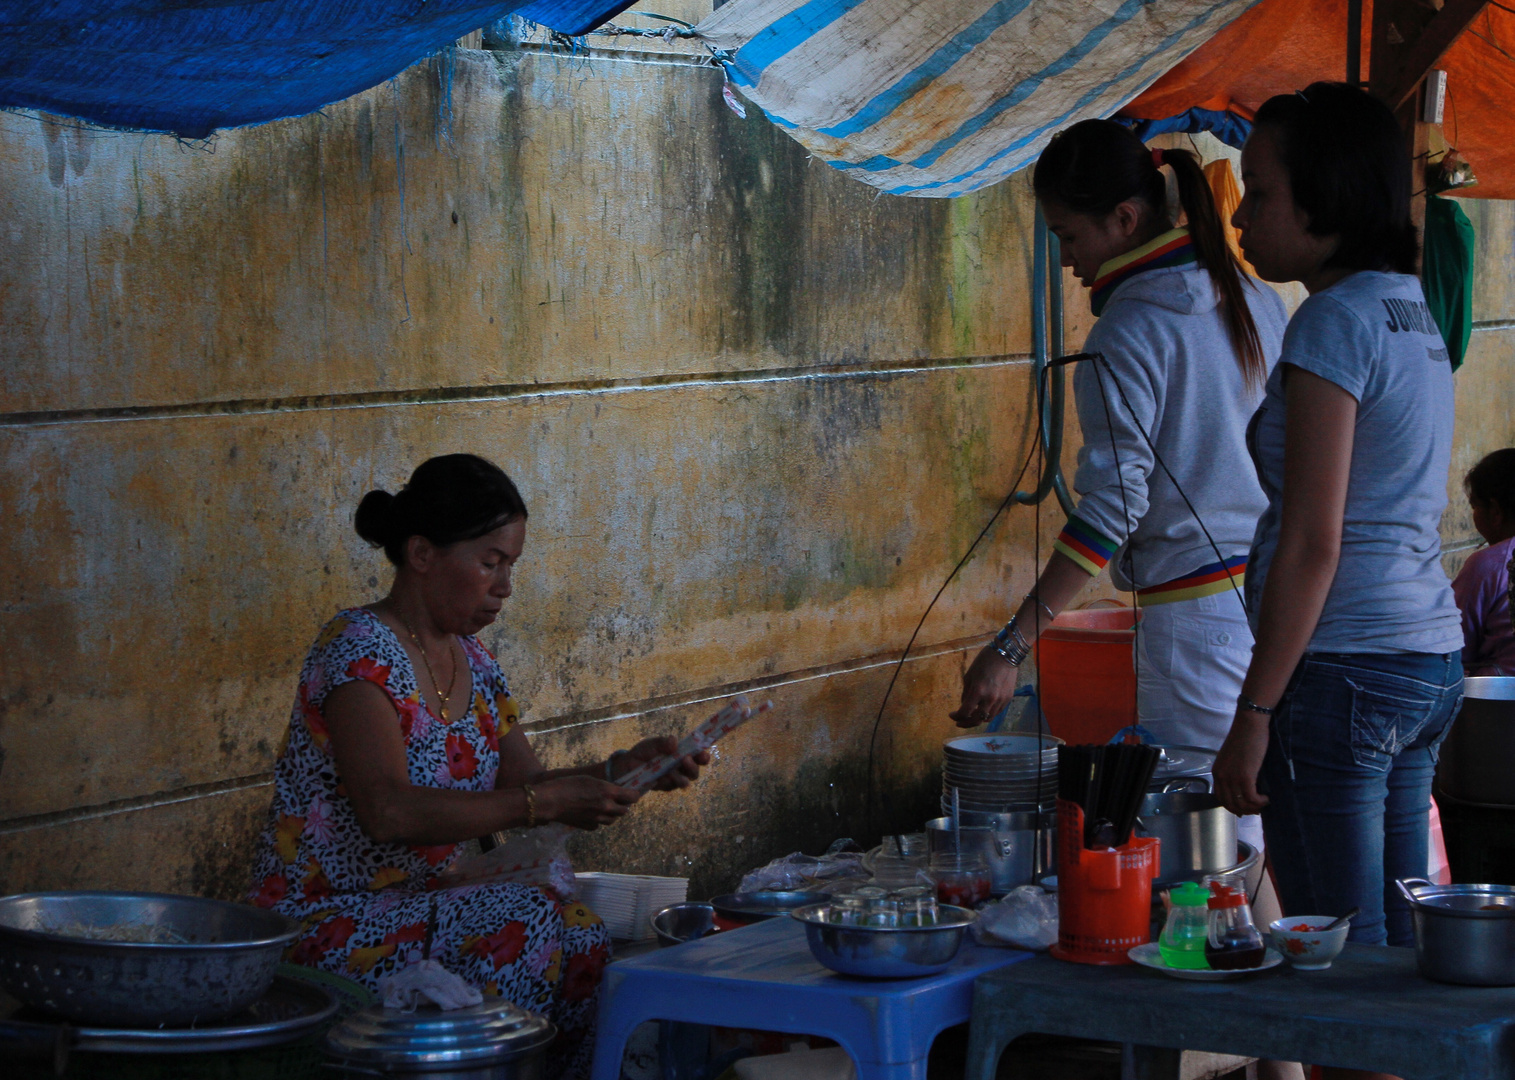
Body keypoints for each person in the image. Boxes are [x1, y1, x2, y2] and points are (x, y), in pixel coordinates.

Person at [245, 454, 707, 1080]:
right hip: (331, 919)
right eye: (490, 562)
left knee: (581, 933)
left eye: (510, 565)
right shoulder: (356, 650)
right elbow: (389, 812)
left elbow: (526, 785)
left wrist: (623, 769)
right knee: (521, 923)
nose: (504, 586)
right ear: (422, 553)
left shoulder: (475, 663)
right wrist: (545, 804)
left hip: (431, 903)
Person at [953, 120, 1288, 855]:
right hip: (1275, 606)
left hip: (1197, 624)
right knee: (1259, 828)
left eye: (1069, 237)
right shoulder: (1253, 295)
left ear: (1125, 220)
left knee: (1211, 851)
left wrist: (1011, 648)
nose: (1066, 260)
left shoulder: (1129, 329)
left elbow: (1110, 512)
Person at [1212, 81, 1464, 984]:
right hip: (1423, 660)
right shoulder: (1405, 307)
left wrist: (1253, 715)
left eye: (1263, 193)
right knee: (1393, 967)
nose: (1241, 216)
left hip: (1346, 670)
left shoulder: (1331, 322)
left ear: (1324, 199)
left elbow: (1314, 543)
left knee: (1336, 978)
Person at [1452, 448, 1515, 675]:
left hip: (1500, 700)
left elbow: (1456, 647)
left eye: (1475, 506)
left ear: (1495, 511)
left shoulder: (1489, 565)